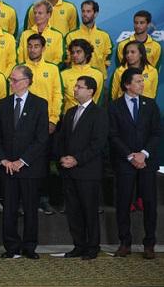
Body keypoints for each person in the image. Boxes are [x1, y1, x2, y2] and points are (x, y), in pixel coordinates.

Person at [0, 65, 49, 260]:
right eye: (10, 79)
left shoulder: (40, 104)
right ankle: (11, 246)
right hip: (8, 167)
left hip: (29, 167)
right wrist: (4, 160)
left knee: (30, 209)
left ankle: (29, 247)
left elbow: (42, 138)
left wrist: (22, 160)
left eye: (15, 80)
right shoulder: (2, 104)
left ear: (26, 82)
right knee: (9, 209)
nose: (11, 83)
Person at [109, 67, 161, 260]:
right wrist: (130, 156)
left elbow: (157, 133)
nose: (142, 84)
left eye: (142, 81)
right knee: (123, 203)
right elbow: (112, 135)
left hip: (147, 162)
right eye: (138, 81)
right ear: (127, 85)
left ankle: (149, 244)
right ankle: (125, 243)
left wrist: (143, 154)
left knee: (149, 203)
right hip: (124, 162)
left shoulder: (150, 104)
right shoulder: (114, 106)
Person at [56, 76, 108, 260]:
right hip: (69, 171)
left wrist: (76, 159)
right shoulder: (70, 112)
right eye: (75, 85)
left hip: (87, 171)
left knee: (89, 210)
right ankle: (78, 245)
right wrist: (62, 157)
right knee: (74, 211)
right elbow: (61, 139)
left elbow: (98, 143)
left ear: (91, 91)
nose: (75, 89)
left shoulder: (99, 113)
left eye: (79, 87)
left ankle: (92, 247)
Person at [22, 34, 63, 215]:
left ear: (43, 48)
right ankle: (24, 201)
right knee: (24, 161)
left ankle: (44, 199)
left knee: (44, 163)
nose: (32, 49)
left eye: (36, 46)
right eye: (30, 46)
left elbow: (57, 96)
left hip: (46, 124)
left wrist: (53, 120)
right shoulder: (20, 69)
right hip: (24, 124)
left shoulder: (53, 69)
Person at [65, 0, 113, 78]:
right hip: (76, 79)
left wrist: (99, 72)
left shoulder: (104, 35)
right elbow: (67, 60)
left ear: (95, 14)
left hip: (98, 78)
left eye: (88, 11)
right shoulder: (71, 35)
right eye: (83, 11)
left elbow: (107, 57)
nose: (84, 14)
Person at [61, 39, 103, 113]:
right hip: (68, 116)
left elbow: (98, 99)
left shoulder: (98, 74)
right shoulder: (63, 74)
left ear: (87, 54)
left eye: (78, 52)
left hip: (90, 116)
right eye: (72, 52)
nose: (74, 55)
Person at [18, 0, 65, 67]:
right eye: (35, 13)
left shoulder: (57, 36)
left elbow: (59, 59)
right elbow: (20, 58)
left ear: (48, 15)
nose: (36, 15)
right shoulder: (25, 34)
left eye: (40, 13)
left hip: (47, 74)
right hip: (27, 74)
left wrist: (46, 70)